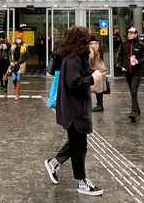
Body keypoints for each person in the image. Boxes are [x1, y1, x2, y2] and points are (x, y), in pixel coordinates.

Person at [44, 26, 104, 196]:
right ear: (80, 41)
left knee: (79, 144)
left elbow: (81, 74)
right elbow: (74, 82)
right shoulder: (72, 60)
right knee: (78, 146)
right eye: (86, 40)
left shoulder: (76, 58)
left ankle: (54, 162)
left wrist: (94, 73)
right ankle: (81, 182)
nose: (88, 43)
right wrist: (92, 78)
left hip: (76, 108)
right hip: (74, 109)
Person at [118, 27, 144, 122]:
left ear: (135, 34)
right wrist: (121, 65)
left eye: (131, 33)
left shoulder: (140, 45)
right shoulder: (124, 44)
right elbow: (120, 56)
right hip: (127, 72)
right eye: (128, 32)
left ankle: (134, 112)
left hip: (137, 72)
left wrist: (138, 61)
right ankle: (137, 110)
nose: (129, 34)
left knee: (134, 90)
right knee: (132, 91)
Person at [89, 34, 107, 112]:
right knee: (99, 89)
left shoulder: (91, 46)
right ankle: (100, 104)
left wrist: (88, 65)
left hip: (95, 70)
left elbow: (91, 57)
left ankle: (98, 106)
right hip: (101, 69)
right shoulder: (98, 45)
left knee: (90, 87)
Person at [10, 32, 28, 101]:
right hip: (14, 64)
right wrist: (11, 61)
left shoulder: (25, 45)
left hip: (21, 64)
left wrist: (18, 62)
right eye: (17, 38)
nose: (18, 39)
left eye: (19, 38)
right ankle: (17, 89)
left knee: (18, 78)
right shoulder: (13, 45)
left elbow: (26, 56)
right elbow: (10, 54)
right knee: (14, 79)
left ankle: (17, 94)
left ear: (22, 39)